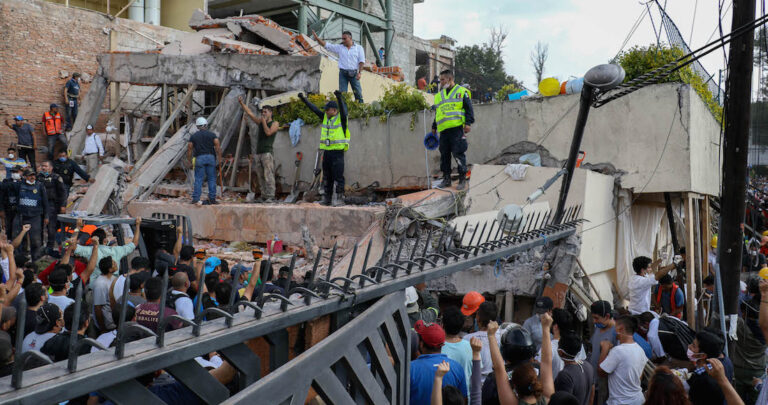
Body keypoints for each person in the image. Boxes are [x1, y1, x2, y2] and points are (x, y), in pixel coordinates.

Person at [487, 314, 555, 405]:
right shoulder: (546, 398)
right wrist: (546, 328)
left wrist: (491, 335)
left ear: (515, 387)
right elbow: (547, 362)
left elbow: (499, 369)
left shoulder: (511, 401)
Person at [298, 91, 350, 206]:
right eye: (325, 110)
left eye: (328, 110)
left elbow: (343, 109)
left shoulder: (341, 119)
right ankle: (327, 199)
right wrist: (304, 99)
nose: (326, 112)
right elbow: (315, 109)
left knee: (338, 176)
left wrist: (339, 97)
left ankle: (340, 198)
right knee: (327, 176)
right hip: (327, 152)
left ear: (334, 110)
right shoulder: (325, 118)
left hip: (337, 153)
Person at [430, 69, 474, 191]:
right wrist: (434, 126)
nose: (441, 82)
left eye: (443, 80)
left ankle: (462, 180)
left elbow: (469, 109)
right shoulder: (439, 96)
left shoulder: (461, 92)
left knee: (458, 154)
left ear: (450, 79)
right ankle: (446, 179)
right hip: (444, 130)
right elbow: (439, 112)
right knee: (444, 156)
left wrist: (468, 123)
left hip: (456, 129)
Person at [410, 319, 468, 404]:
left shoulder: (410, 369)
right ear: (443, 344)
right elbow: (464, 399)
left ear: (421, 344)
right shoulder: (457, 367)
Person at [597, 315, 647, 405]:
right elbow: (640, 377)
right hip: (638, 400)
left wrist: (605, 348)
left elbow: (601, 372)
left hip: (620, 402)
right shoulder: (640, 350)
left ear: (620, 328)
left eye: (615, 327)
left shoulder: (618, 351)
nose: (614, 331)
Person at [238, 98, 280, 203]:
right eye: (262, 112)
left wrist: (263, 122)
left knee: (268, 175)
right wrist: (242, 103)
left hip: (267, 153)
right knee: (260, 176)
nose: (263, 114)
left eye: (265, 112)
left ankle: (271, 195)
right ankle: (264, 195)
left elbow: (268, 133)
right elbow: (250, 113)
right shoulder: (261, 122)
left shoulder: (275, 123)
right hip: (258, 153)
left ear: (271, 113)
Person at [312, 30, 365, 102]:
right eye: (342, 39)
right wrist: (317, 39)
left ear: (350, 38)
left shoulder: (359, 48)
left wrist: (359, 73)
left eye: (344, 39)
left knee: (358, 93)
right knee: (342, 94)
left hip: (354, 74)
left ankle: (361, 110)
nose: (343, 40)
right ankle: (344, 111)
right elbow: (327, 45)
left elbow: (361, 61)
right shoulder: (340, 47)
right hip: (343, 73)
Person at [11, 169, 48, 260]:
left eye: (33, 175)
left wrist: (46, 216)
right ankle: (20, 259)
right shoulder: (20, 185)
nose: (32, 177)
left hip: (35, 217)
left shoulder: (40, 186)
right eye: (30, 175)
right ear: (25, 176)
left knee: (35, 240)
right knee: (18, 237)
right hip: (21, 215)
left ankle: (35, 260)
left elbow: (45, 202)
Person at [463, 301, 498, 386]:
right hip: (497, 386)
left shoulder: (467, 339)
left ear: (478, 318)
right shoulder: (503, 336)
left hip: (475, 386)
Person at [187, 117, 221, 205]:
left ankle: (195, 198)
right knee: (212, 178)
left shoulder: (194, 136)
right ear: (206, 125)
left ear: (197, 126)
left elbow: (189, 149)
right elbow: (217, 145)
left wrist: (189, 160)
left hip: (199, 158)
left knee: (198, 179)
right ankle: (212, 199)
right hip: (210, 157)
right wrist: (219, 157)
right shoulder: (212, 134)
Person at [589, 300, 617, 405]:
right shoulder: (598, 328)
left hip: (604, 385)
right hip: (594, 381)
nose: (594, 321)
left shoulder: (616, 334)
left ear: (607, 316)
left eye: (596, 318)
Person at [554, 333, 594, 405]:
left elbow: (563, 402)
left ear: (560, 352)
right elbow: (591, 395)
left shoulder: (565, 375)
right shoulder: (588, 366)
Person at [37, 161, 67, 256]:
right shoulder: (39, 177)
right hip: (40, 205)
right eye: (42, 166)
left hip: (52, 205)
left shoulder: (56, 178)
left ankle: (49, 247)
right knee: (39, 226)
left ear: (51, 168)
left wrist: (63, 205)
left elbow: (63, 193)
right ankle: (40, 247)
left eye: (45, 166)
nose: (43, 168)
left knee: (51, 227)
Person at [441, 306, 473, 394]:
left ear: (442, 325)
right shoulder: (471, 347)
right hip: (465, 397)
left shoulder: (437, 348)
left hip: (442, 397)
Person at [93, 257, 119, 333]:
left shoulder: (114, 278)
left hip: (114, 322)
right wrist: (102, 328)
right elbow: (98, 308)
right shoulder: (100, 284)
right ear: (110, 269)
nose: (116, 264)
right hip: (108, 325)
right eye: (114, 263)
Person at [0, 166, 23, 240]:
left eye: (16, 172)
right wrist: (2, 210)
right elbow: (1, 197)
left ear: (21, 172)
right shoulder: (6, 182)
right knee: (8, 228)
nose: (14, 174)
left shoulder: (24, 182)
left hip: (20, 210)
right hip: (8, 209)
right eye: (13, 172)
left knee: (19, 229)